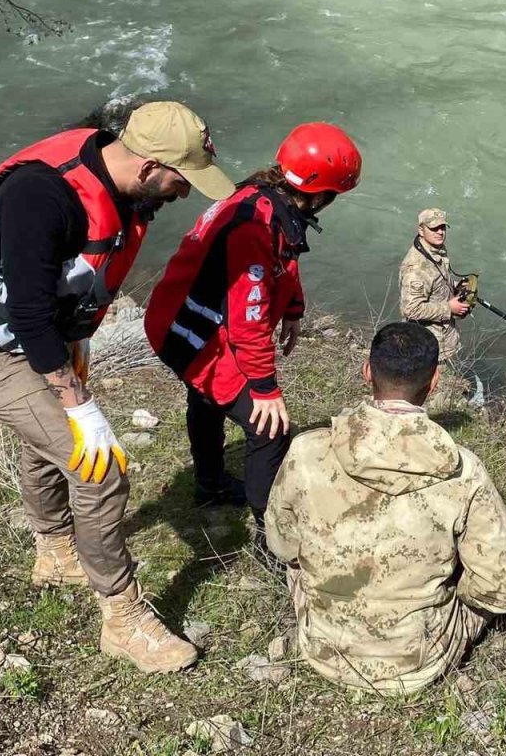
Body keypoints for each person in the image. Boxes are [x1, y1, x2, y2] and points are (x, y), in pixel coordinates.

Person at [0, 101, 236, 673]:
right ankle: (123, 619)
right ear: (148, 167)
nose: (183, 194)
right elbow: (27, 315)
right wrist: (79, 406)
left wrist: (76, 343)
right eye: (181, 181)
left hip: (43, 336)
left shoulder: (119, 177)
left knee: (45, 444)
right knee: (98, 467)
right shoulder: (39, 198)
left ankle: (55, 550)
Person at [265, 321, 506, 694]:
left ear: (367, 371)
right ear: (435, 381)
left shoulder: (306, 451)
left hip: (323, 647)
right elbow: (501, 591)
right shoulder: (464, 472)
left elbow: (282, 546)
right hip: (416, 662)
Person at [144, 123, 361, 526]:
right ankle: (269, 529)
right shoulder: (253, 226)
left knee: (206, 400)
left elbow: (282, 261)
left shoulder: (264, 198)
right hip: (191, 331)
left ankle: (210, 485)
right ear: (320, 193)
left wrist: (293, 308)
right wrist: (264, 387)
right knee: (270, 430)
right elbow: (249, 318)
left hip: (177, 316)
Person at [398, 208, 470, 363]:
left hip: (445, 338)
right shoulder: (416, 268)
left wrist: (456, 286)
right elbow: (410, 309)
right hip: (428, 345)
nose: (440, 232)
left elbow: (435, 282)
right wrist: (449, 308)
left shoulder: (436, 249)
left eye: (443, 227)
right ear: (421, 230)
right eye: (434, 228)